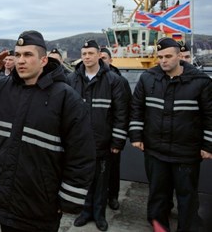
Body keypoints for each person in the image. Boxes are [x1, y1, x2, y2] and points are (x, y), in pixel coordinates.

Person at [0, 31, 96, 232]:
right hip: (2, 199)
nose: (21, 61)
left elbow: (81, 154)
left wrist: (69, 200)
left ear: (43, 60)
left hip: (38, 203)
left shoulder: (66, 98)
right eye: (17, 55)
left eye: (27, 55)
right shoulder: (0, 87)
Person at [129, 37, 212, 232]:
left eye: (168, 56)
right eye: (160, 57)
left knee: (187, 195)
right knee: (158, 192)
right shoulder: (148, 78)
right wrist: (136, 135)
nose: (163, 61)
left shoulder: (200, 82)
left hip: (186, 152)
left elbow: (209, 115)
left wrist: (208, 145)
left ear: (179, 56)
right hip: (155, 149)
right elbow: (137, 108)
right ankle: (158, 224)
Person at [67, 40, 129, 231]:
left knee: (101, 181)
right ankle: (85, 212)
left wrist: (117, 141)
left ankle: (99, 214)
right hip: (79, 142)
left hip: (103, 141)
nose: (87, 57)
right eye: (84, 53)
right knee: (83, 179)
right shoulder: (72, 80)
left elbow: (121, 114)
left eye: (91, 53)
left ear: (98, 55)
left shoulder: (113, 81)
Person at [99, 47, 131, 211]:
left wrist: (118, 139)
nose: (101, 60)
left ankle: (113, 196)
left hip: (112, 134)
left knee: (113, 170)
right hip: (97, 136)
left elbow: (124, 111)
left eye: (104, 58)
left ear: (111, 60)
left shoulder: (120, 81)